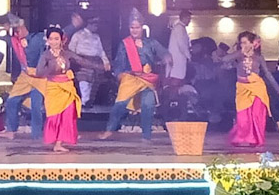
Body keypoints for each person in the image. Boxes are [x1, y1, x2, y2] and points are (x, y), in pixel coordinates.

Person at [99, 8, 170, 141]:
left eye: (137, 27)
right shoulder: (125, 44)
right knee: (119, 104)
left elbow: (164, 52)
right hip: (130, 78)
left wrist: (167, 57)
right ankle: (109, 130)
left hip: (147, 79)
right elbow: (119, 62)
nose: (134, 30)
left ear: (142, 27)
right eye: (132, 28)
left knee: (148, 105)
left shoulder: (151, 42)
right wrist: (119, 75)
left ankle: (146, 136)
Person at [217, 31, 279, 147]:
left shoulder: (258, 57)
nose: (243, 45)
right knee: (243, 116)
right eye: (241, 43)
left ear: (252, 43)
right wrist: (240, 52)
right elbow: (224, 59)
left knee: (256, 114)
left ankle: (255, 140)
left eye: (245, 42)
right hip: (242, 88)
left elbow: (268, 74)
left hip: (257, 87)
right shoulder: (239, 55)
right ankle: (240, 137)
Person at [0, 13, 47, 140]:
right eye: (15, 30)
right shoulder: (13, 40)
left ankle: (37, 134)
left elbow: (56, 36)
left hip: (40, 75)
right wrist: (5, 28)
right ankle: (11, 130)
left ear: (23, 26)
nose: (17, 32)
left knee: (35, 105)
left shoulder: (38, 38)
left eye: (18, 29)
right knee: (11, 101)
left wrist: (73, 27)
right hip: (25, 76)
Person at [36, 26, 85, 152]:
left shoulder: (66, 53)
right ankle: (54, 140)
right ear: (47, 40)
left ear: (62, 40)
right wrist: (53, 67)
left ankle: (59, 143)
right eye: (51, 39)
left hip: (67, 88)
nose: (54, 42)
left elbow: (82, 61)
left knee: (67, 115)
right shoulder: (46, 55)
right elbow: (39, 72)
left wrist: (103, 65)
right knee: (54, 116)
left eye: (56, 39)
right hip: (53, 88)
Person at [67, 17, 111, 106]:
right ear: (89, 24)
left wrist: (106, 62)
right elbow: (71, 50)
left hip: (95, 61)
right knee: (84, 79)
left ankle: (89, 100)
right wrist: (75, 60)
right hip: (81, 61)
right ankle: (84, 100)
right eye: (95, 25)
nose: (96, 27)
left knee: (94, 80)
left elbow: (101, 51)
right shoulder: (78, 35)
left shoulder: (96, 37)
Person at [166, 10, 191, 96]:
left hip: (177, 59)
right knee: (176, 80)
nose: (189, 21)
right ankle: (174, 98)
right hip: (178, 60)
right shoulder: (179, 28)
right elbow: (182, 45)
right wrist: (188, 56)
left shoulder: (179, 28)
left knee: (177, 79)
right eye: (189, 19)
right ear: (185, 18)